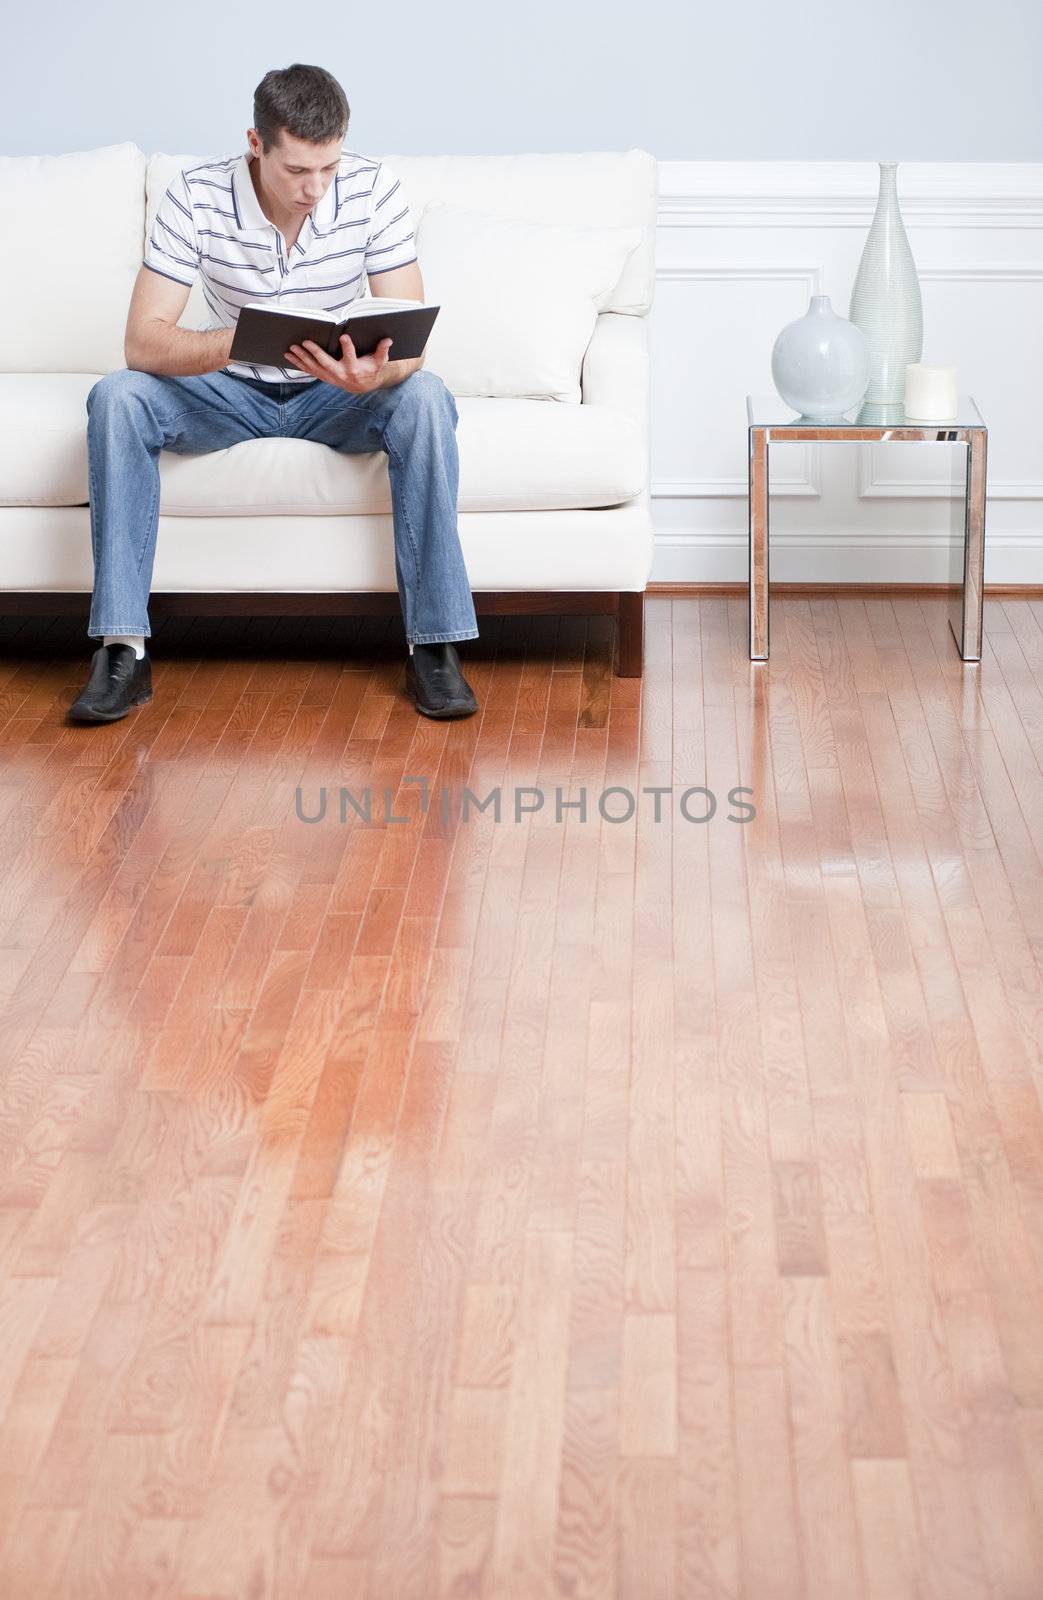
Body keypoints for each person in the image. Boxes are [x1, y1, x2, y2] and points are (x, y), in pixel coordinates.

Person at [68, 62, 479, 725]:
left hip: (337, 393)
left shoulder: (372, 190)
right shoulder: (196, 195)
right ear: (256, 144)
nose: (314, 188)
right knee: (118, 398)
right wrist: (241, 340)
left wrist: (375, 374)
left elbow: (411, 346)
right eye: (296, 171)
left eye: (328, 168)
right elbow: (142, 343)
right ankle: (122, 648)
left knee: (426, 397)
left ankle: (434, 646)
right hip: (230, 390)